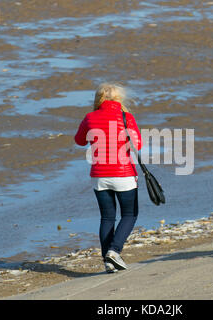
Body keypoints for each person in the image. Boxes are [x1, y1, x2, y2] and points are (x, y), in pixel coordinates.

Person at [74, 83, 142, 273]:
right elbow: (138, 144)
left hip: (99, 176)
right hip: (124, 174)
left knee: (107, 217)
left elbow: (79, 141)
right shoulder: (126, 117)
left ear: (98, 99)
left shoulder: (90, 118)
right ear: (119, 99)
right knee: (129, 214)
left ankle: (108, 262)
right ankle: (114, 251)